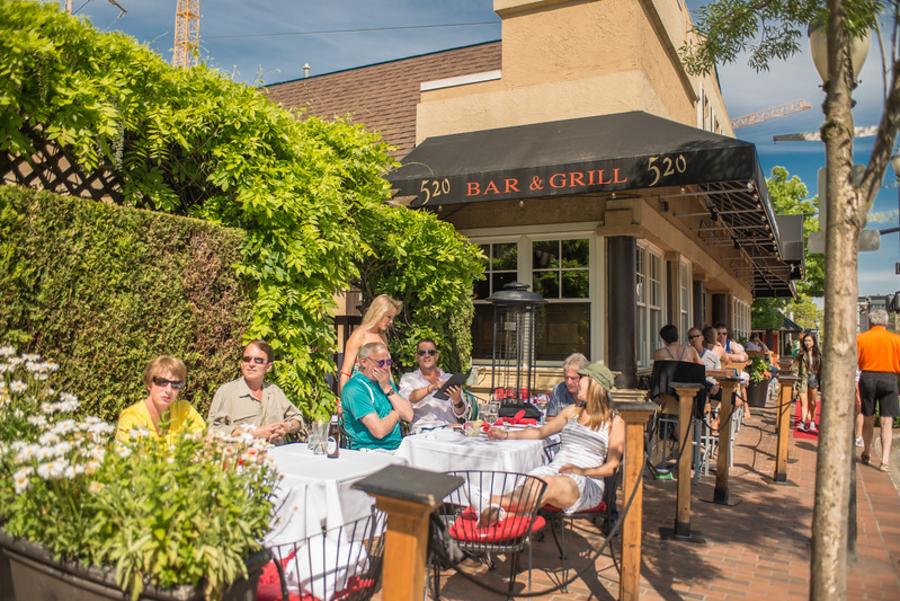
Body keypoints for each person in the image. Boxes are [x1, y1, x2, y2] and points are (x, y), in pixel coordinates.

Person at [483, 361, 625, 517]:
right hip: (555, 469)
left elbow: (612, 466)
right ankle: (503, 517)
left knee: (546, 485)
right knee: (535, 481)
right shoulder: (572, 411)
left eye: (581, 378)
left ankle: (489, 501)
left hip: (586, 480)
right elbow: (541, 432)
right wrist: (507, 435)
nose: (576, 382)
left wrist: (581, 471)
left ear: (594, 384)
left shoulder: (614, 421)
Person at [208, 340, 304, 443]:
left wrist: (287, 427)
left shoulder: (274, 392)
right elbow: (212, 431)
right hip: (243, 456)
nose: (251, 364)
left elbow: (297, 418)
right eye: (247, 359)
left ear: (268, 367)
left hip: (277, 454)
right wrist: (253, 433)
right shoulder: (226, 393)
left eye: (258, 360)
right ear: (241, 364)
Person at [116, 355, 206, 443]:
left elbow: (207, 439)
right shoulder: (132, 418)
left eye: (176, 384)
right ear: (149, 383)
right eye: (162, 382)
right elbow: (127, 456)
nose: (169, 390)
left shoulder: (185, 410)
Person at [342, 341, 413, 450]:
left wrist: (387, 388)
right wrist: (396, 414)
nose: (385, 367)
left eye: (388, 362)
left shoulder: (384, 381)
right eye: (380, 363)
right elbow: (379, 431)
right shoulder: (355, 388)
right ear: (364, 362)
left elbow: (408, 415)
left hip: (396, 448)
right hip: (369, 450)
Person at [857, 309, 900, 471]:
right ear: (886, 323)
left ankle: (867, 451)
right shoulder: (896, 339)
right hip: (889, 378)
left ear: (870, 322)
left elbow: (856, 361)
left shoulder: (861, 338)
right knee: (887, 421)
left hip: (868, 377)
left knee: (868, 417)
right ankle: (885, 461)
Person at [398, 338, 467, 434]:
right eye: (422, 353)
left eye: (431, 352)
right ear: (417, 357)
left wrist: (457, 401)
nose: (427, 356)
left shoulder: (449, 378)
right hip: (423, 431)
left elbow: (461, 414)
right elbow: (409, 398)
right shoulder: (409, 379)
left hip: (450, 430)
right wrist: (431, 387)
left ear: (437, 356)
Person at [339, 295, 402, 393]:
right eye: (389, 317)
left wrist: (395, 394)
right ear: (379, 313)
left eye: (392, 318)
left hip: (380, 392)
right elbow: (345, 372)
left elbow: (388, 372)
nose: (391, 322)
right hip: (361, 392)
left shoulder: (382, 337)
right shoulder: (359, 335)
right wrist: (345, 400)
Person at [547, 353, 589, 417]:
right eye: (566, 377)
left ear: (584, 377)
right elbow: (549, 419)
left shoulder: (595, 393)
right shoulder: (558, 389)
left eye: (573, 378)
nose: (569, 382)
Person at [796, 332, 822, 433]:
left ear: (814, 342)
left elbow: (822, 369)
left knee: (813, 402)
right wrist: (794, 383)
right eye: (805, 341)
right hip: (802, 379)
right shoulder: (801, 354)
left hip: (813, 379)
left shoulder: (818, 355)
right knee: (803, 403)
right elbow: (795, 368)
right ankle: (803, 422)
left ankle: (812, 422)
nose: (807, 342)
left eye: (809, 340)